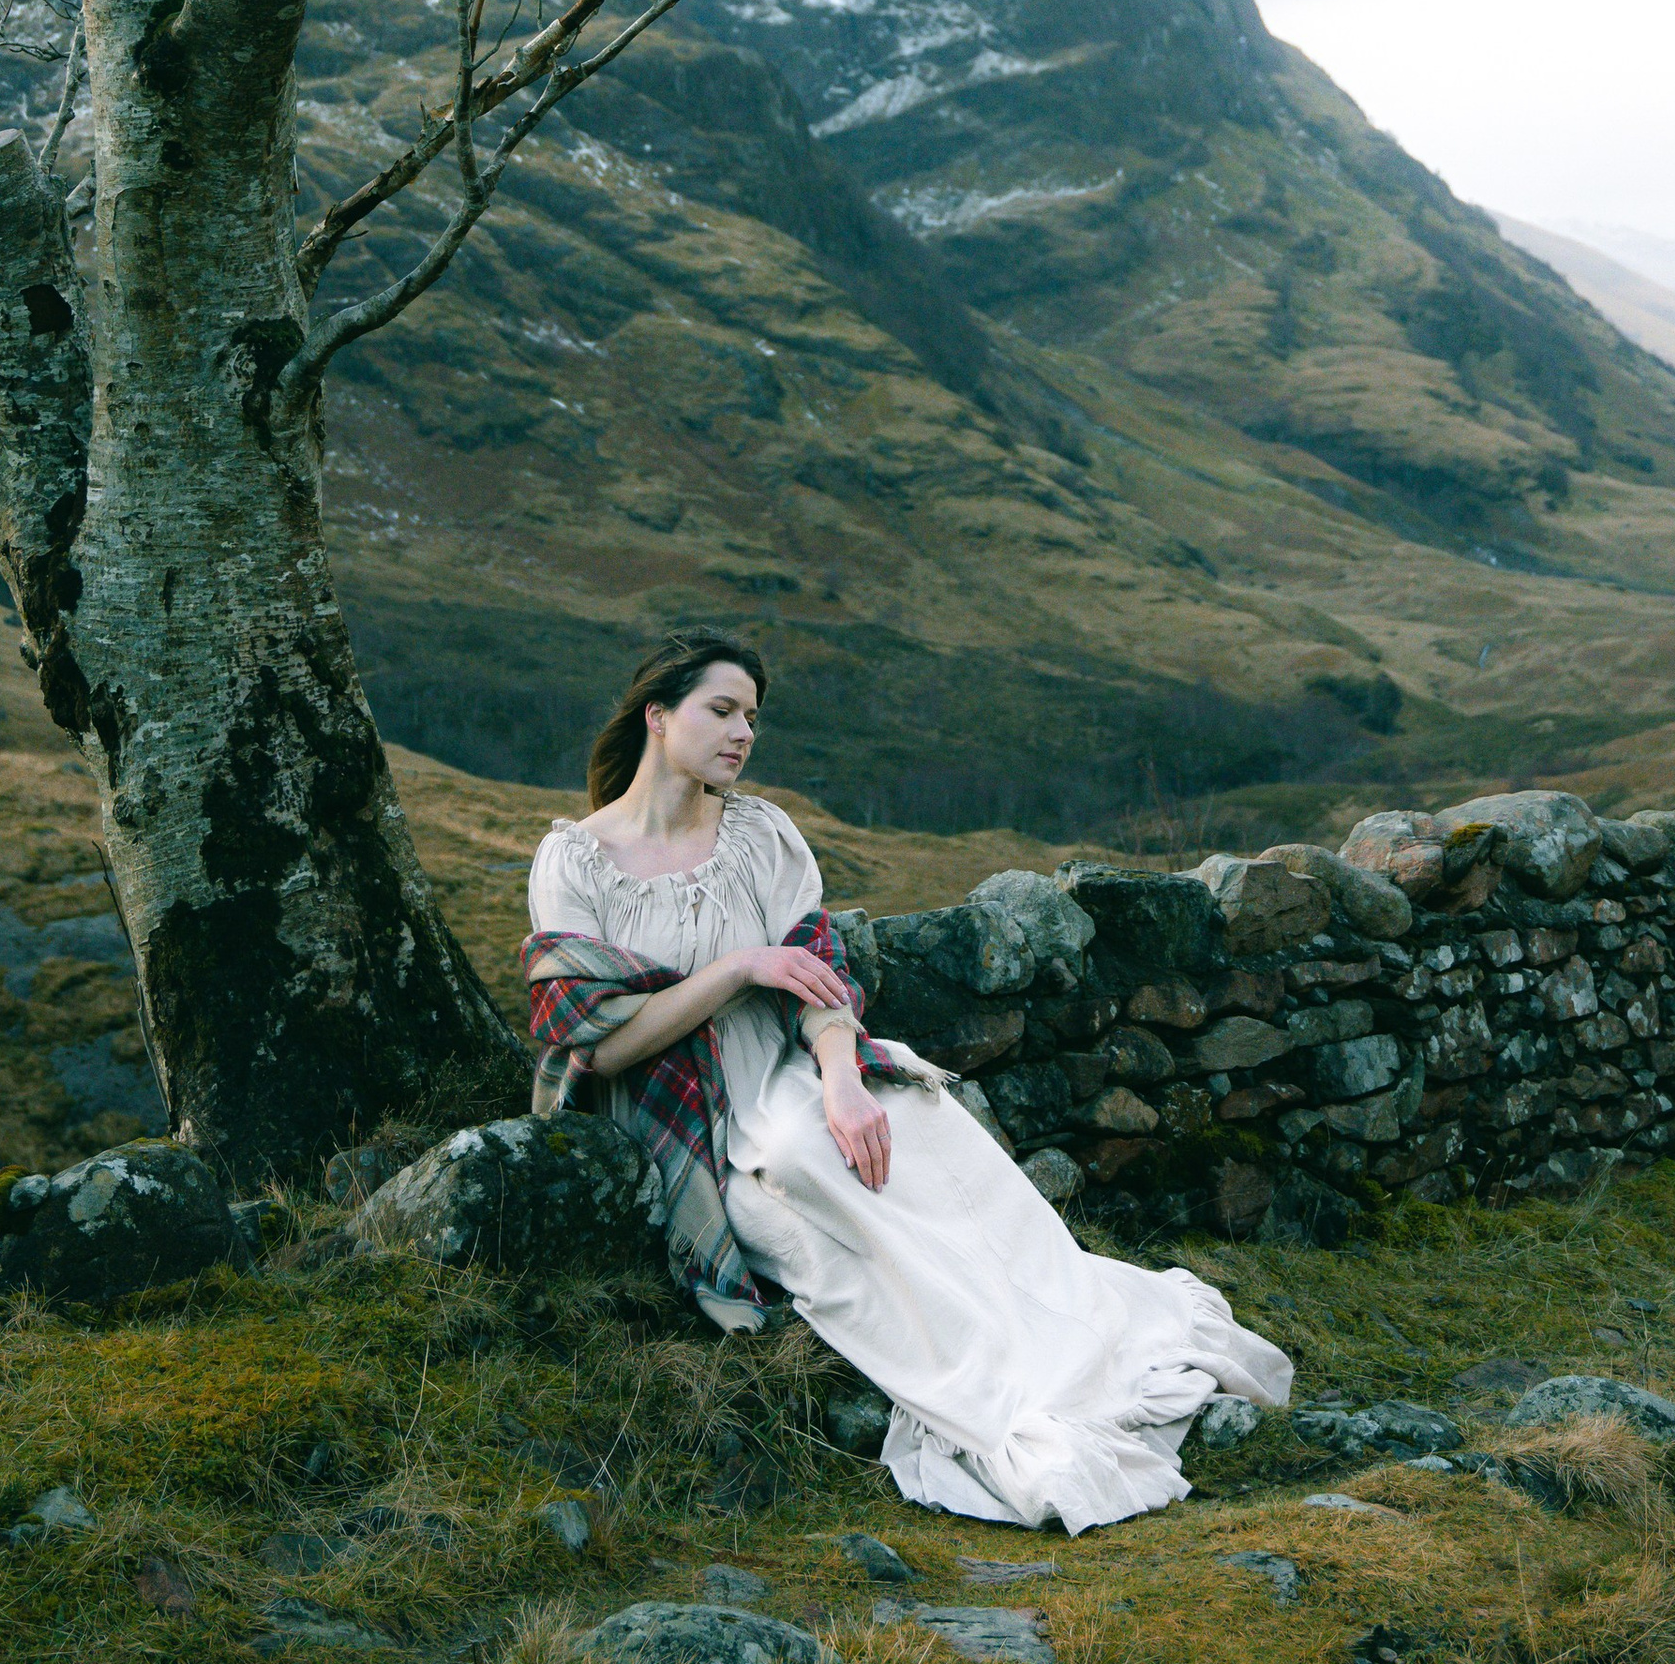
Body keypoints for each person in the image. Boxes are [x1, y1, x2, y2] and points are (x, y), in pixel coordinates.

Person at [523, 626, 1294, 1532]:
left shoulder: (759, 834)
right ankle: (994, 1384)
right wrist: (737, 969)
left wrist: (843, 1078)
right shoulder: (577, 861)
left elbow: (820, 979)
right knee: (804, 1161)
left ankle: (1070, 1337)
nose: (742, 734)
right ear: (658, 716)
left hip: (794, 1065)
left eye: (753, 718)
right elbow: (601, 1046)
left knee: (920, 1128)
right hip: (689, 1114)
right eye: (722, 711)